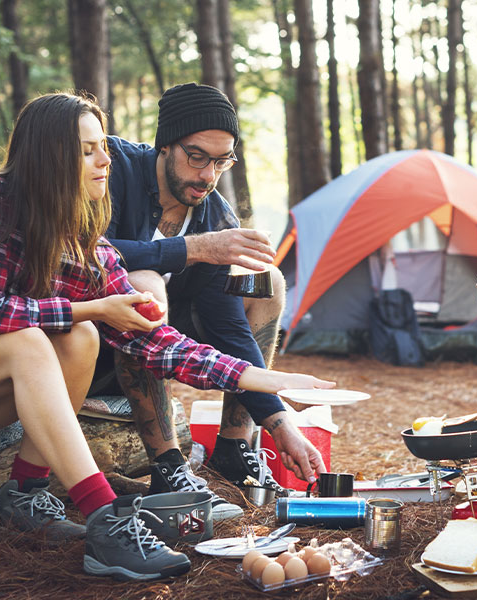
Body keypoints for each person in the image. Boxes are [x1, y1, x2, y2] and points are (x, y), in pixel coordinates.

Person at [0, 93, 333, 581]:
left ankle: (25, 495)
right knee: (34, 339)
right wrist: (95, 308)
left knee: (81, 338)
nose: (106, 160)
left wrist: (260, 377)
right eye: (89, 150)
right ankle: (105, 518)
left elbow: (152, 339)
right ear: (50, 154)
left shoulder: (82, 232)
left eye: (105, 147)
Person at [94, 83, 315, 507]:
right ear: (165, 145)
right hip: (89, 342)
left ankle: (235, 447)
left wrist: (278, 419)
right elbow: (84, 252)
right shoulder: (112, 170)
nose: (208, 176)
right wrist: (192, 249)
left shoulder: (213, 213)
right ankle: (167, 467)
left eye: (221, 162)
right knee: (145, 288)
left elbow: (228, 326)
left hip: (170, 350)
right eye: (197, 157)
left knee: (264, 281)